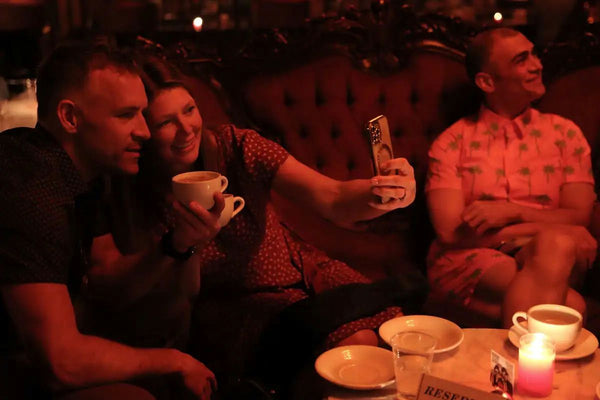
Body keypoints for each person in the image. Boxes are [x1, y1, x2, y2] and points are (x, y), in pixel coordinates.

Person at [84, 53, 423, 396]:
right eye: (166, 122)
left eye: (189, 110)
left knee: (390, 338)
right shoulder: (131, 187)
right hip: (233, 306)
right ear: (144, 132)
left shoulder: (236, 145)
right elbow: (165, 297)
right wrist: (184, 243)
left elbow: (332, 197)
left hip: (305, 271)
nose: (187, 129)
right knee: (353, 346)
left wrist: (383, 194)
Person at [0, 42, 216, 400]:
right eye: (125, 115)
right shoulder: (31, 192)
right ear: (70, 117)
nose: (145, 131)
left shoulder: (84, 172)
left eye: (143, 114)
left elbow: (105, 285)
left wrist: (176, 243)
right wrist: (172, 361)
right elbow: (60, 363)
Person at [425, 27, 597, 328]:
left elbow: (580, 214)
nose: (537, 65)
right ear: (487, 81)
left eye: (534, 54)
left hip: (550, 251)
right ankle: (529, 372)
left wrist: (512, 213)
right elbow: (450, 233)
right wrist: (529, 233)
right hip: (469, 257)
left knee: (555, 245)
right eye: (521, 60)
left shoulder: (565, 134)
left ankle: (512, 372)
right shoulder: (452, 143)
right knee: (571, 304)